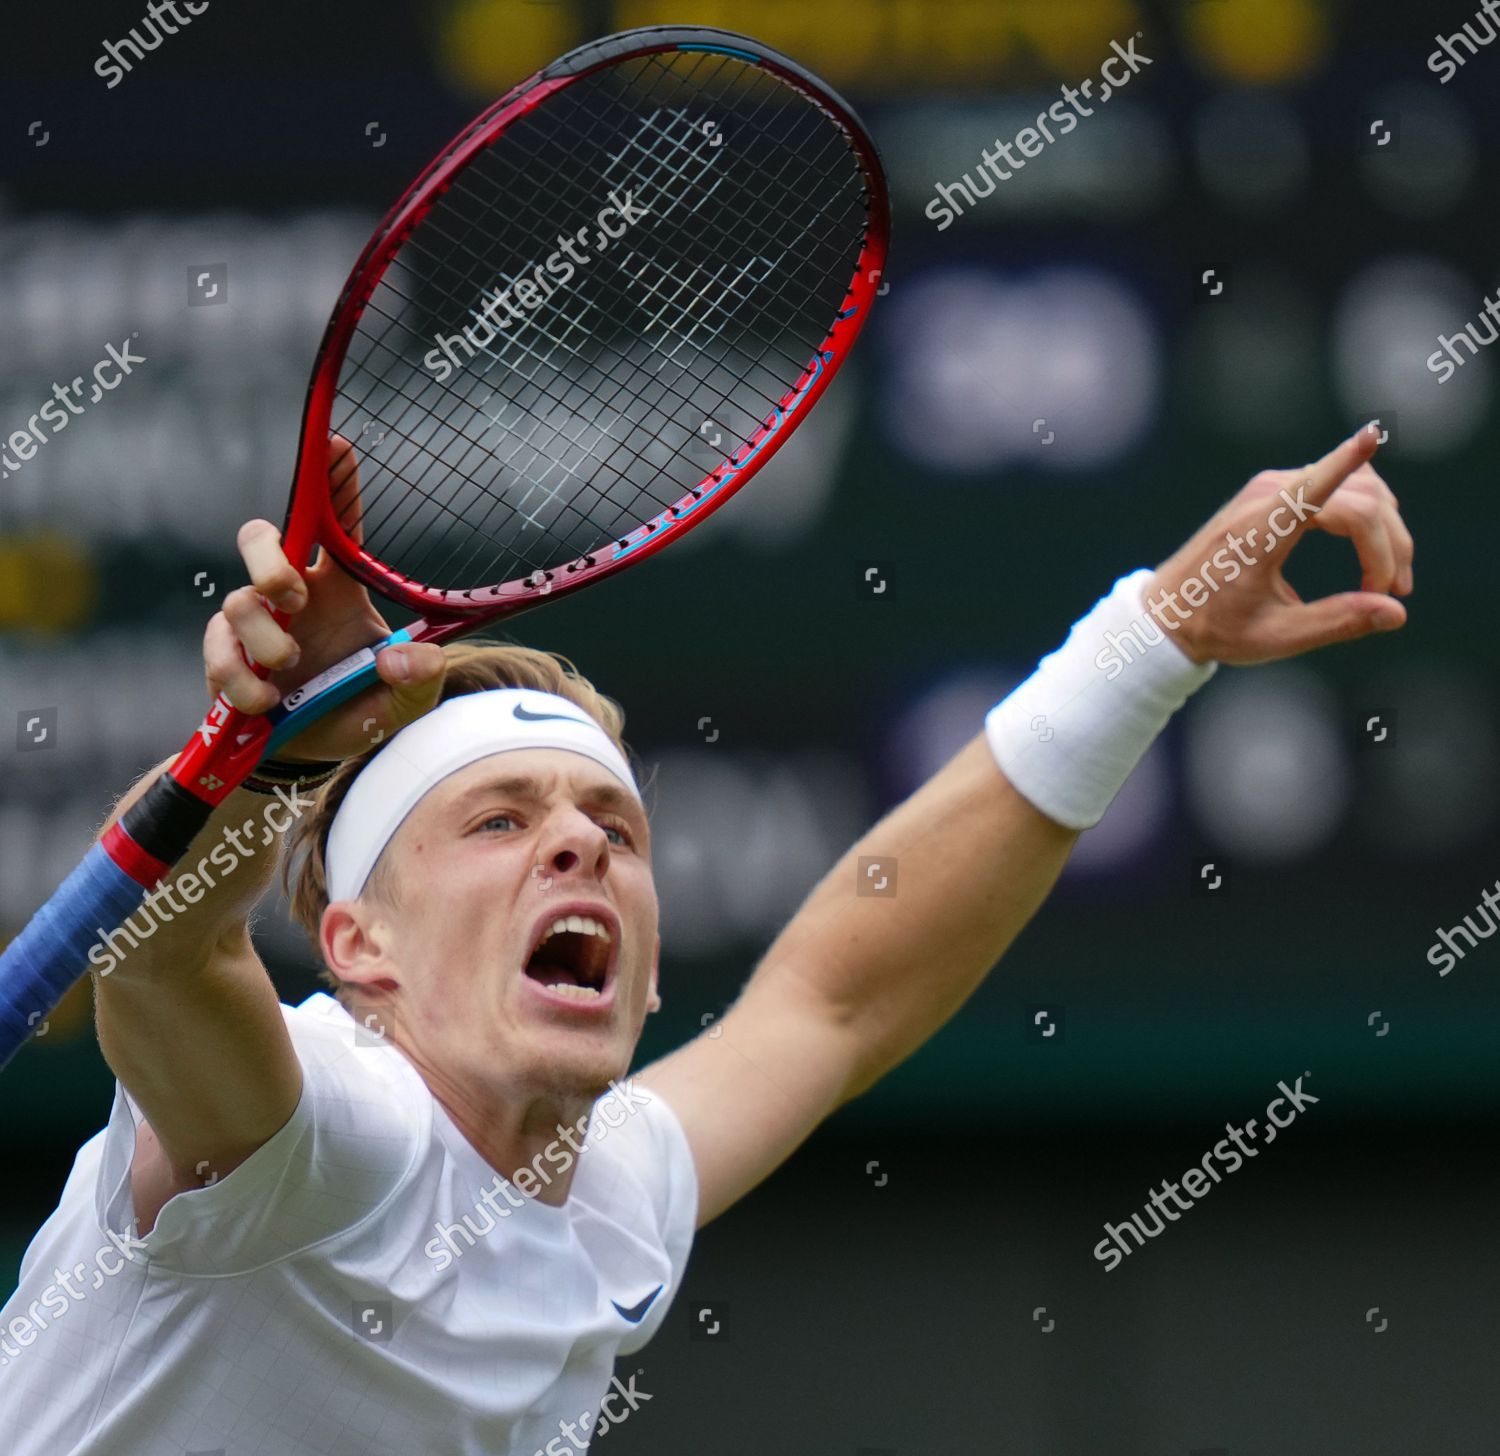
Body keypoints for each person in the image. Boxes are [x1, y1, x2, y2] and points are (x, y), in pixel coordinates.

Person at [0, 428, 1412, 1454]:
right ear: (361, 949)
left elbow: (839, 996)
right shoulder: (324, 1142)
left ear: (651, 962)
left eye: (613, 827)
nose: (580, 845)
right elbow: (167, 960)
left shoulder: (614, 1193)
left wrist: (1156, 636)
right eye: (499, 822)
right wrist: (269, 758)